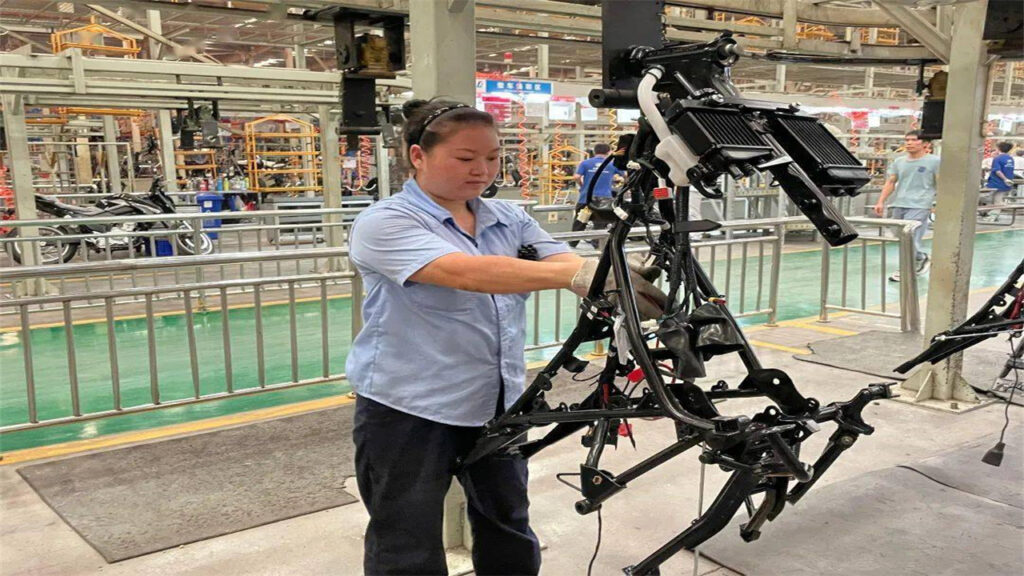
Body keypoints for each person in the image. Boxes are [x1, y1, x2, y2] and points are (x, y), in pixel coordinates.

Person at [346, 98, 667, 576]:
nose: (482, 169)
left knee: (509, 523)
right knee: (405, 537)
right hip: (408, 407)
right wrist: (579, 276)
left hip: (498, 402)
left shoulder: (505, 216)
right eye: (464, 158)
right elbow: (465, 272)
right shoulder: (386, 222)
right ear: (418, 156)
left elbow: (553, 256)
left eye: (493, 157)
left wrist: (603, 274)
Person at [873, 131, 941, 282]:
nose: (909, 143)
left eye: (914, 140)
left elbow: (940, 183)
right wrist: (881, 201)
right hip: (899, 203)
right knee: (900, 237)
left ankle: (905, 270)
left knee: (910, 237)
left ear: (926, 144)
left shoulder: (935, 161)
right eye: (907, 140)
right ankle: (921, 258)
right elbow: (891, 182)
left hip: (921, 205)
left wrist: (937, 203)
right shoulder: (899, 162)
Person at [569, 142, 623, 248]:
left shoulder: (585, 163)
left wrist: (583, 185)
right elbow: (626, 175)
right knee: (600, 223)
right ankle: (597, 244)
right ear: (608, 152)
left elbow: (576, 177)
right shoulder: (612, 164)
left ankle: (572, 244)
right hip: (604, 199)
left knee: (580, 222)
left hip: (586, 198)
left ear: (594, 152)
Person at [983, 141, 1016, 221]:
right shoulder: (1010, 158)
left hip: (995, 182)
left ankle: (988, 214)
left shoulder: (997, 159)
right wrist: (1007, 180)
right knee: (998, 200)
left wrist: (1004, 179)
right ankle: (991, 215)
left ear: (998, 149)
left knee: (982, 196)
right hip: (1006, 183)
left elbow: (997, 171)